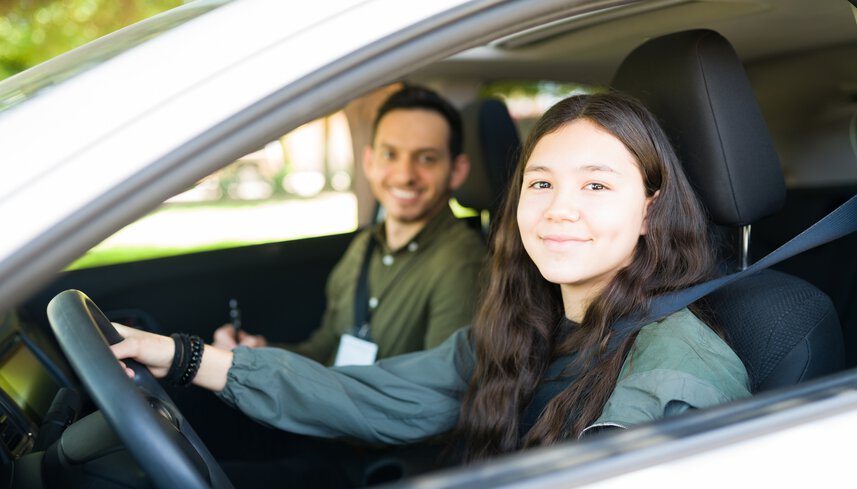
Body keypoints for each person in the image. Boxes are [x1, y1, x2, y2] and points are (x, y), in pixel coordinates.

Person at [112, 92, 751, 466]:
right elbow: (368, 394)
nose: (561, 208)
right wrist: (181, 354)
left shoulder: (677, 367)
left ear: (650, 209)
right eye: (542, 183)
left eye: (597, 185)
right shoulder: (520, 328)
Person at [212, 85, 487, 366]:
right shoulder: (364, 246)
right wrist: (259, 354)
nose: (405, 175)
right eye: (390, 155)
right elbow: (327, 348)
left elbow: (438, 391)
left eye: (426, 158)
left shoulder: (461, 262)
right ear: (369, 162)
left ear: (457, 171)